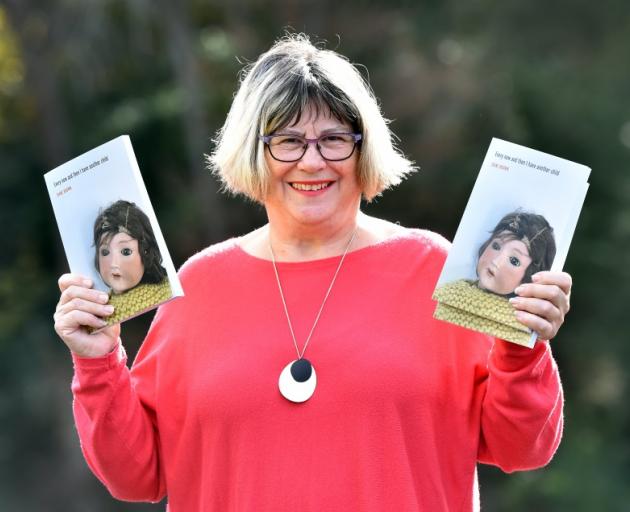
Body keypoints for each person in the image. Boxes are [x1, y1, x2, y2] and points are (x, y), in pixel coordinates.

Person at [53, 34, 572, 511]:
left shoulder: (435, 270)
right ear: (254, 153)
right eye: (288, 141)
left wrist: (521, 346)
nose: (312, 162)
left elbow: (520, 449)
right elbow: (136, 476)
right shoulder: (200, 286)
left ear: (363, 147)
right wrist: (98, 365)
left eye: (333, 139)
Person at [433, 211, 557, 345]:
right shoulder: (448, 291)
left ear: (529, 277)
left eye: (514, 260)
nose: (496, 262)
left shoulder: (520, 328)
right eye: (496, 246)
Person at [93, 199, 171, 326]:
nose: (114, 263)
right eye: (105, 252)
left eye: (126, 252)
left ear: (146, 252)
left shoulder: (168, 296)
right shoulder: (94, 315)